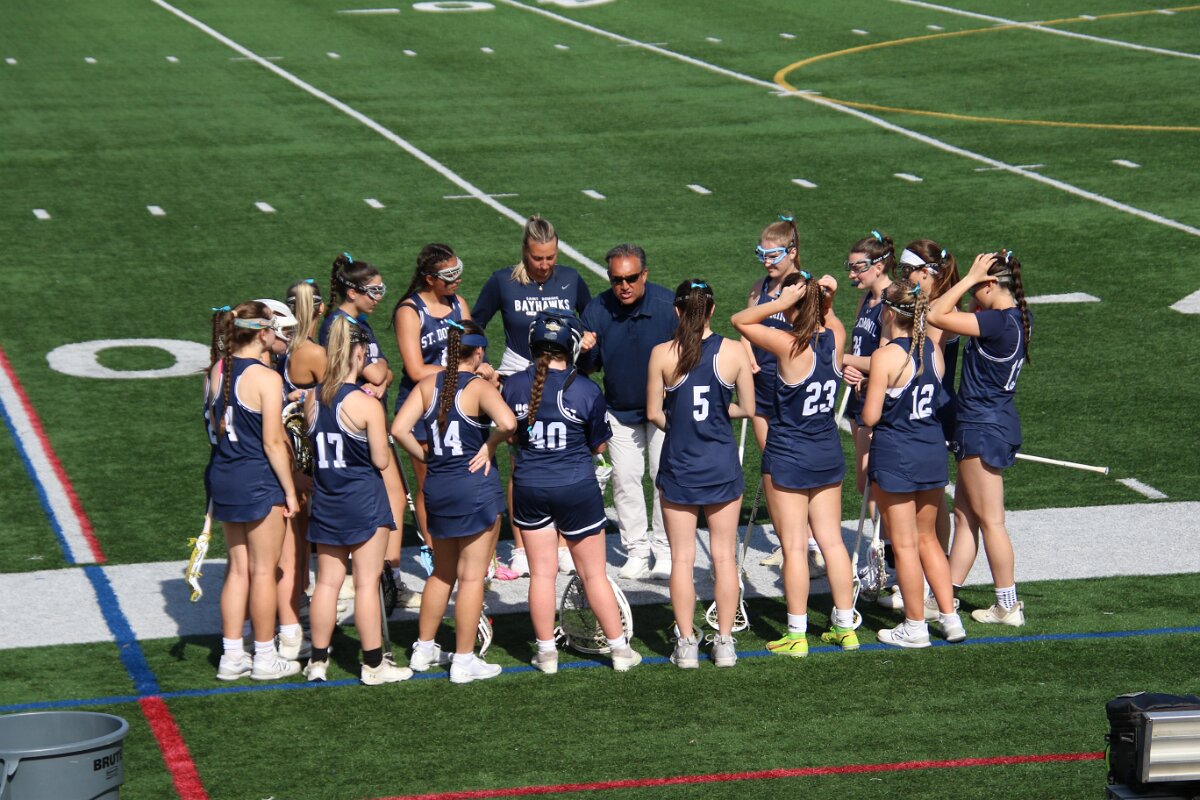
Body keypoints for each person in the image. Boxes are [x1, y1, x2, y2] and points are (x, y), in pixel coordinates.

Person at [502, 311, 642, 674]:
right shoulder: (586, 390)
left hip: (529, 486)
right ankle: (619, 650)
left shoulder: (512, 386)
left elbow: (511, 436)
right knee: (593, 575)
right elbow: (599, 446)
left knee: (542, 575)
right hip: (576, 488)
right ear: (573, 347)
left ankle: (547, 654)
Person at [731, 272, 859, 656]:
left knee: (793, 547)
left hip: (789, 454)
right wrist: (824, 301)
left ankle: (796, 634)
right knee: (832, 542)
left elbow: (740, 320)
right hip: (826, 451)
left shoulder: (788, 344)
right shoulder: (835, 337)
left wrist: (780, 301)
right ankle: (845, 627)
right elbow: (829, 318)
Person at [392, 320, 517, 683]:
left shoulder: (427, 385)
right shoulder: (478, 387)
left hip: (438, 485)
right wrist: (489, 446)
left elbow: (398, 429)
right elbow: (509, 424)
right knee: (472, 576)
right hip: (473, 487)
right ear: (478, 352)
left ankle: (424, 648)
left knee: (442, 572)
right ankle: (463, 659)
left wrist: (426, 457)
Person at [472, 217, 591, 577]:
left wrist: (588, 337)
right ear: (525, 252)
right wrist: (482, 363)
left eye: (551, 257)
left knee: (563, 457)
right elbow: (475, 324)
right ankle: (523, 547)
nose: (544, 265)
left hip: (563, 378)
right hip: (517, 378)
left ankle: (563, 542)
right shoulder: (502, 281)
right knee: (522, 461)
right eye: (538, 258)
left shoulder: (571, 278)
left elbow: (591, 318)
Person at [646, 280, 754, 668]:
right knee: (724, 558)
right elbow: (747, 407)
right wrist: (717, 418)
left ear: (677, 311)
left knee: (682, 559)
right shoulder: (735, 351)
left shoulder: (662, 353)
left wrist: (682, 426)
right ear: (712, 310)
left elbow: (654, 413)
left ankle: (687, 643)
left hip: (679, 466)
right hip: (721, 465)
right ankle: (724, 643)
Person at [303, 315, 412, 685]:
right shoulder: (366, 405)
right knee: (366, 584)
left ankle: (318, 661)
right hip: (363, 500)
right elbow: (381, 460)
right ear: (360, 354)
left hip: (327, 499)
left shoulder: (312, 398)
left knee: (327, 583)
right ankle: (374, 665)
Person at [928, 251, 1032, 626]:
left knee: (991, 521)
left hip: (980, 426)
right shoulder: (1017, 317)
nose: (972, 298)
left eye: (977, 289)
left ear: (990, 284)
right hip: (993, 422)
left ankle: (1008, 604)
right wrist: (976, 286)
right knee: (965, 517)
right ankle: (943, 596)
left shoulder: (995, 322)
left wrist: (969, 279)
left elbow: (935, 314)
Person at [861, 281, 966, 648]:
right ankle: (950, 619)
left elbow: (871, 416)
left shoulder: (885, 356)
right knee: (929, 540)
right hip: (930, 450)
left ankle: (915, 625)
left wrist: (866, 388)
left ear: (889, 313)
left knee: (905, 545)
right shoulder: (933, 349)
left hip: (897, 454)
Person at [205, 302, 300, 681]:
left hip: (223, 476)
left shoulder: (218, 369)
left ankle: (232, 656)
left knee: (238, 569)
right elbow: (273, 443)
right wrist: (290, 490)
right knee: (264, 571)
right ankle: (264, 656)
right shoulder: (266, 378)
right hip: (258, 479)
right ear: (262, 333)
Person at [322, 252, 421, 609]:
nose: (380, 297)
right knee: (388, 496)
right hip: (355, 425)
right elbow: (378, 372)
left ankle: (383, 574)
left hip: (361, 419)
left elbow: (385, 371)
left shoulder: (358, 321)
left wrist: (382, 373)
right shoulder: (341, 326)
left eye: (382, 290)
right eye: (374, 291)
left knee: (390, 495)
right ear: (352, 292)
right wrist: (381, 373)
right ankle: (387, 576)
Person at [579, 243, 678, 580]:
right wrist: (586, 350)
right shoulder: (597, 309)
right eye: (617, 279)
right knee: (624, 479)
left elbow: (689, 356)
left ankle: (664, 549)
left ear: (644, 275)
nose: (624, 286)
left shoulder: (668, 307)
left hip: (664, 409)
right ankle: (636, 550)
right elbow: (588, 368)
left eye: (631, 278)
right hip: (620, 410)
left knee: (663, 478)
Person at [877, 242, 962, 616]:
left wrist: (853, 362)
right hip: (922, 415)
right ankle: (935, 598)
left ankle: (924, 595)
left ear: (925, 273)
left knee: (925, 522)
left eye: (907, 271)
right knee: (925, 521)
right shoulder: (924, 310)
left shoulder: (938, 312)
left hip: (924, 416)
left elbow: (908, 362)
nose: (903, 278)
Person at [391, 244, 486, 577]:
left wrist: (480, 369)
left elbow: (474, 348)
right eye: (449, 274)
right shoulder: (409, 311)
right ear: (430, 278)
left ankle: (469, 543)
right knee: (430, 481)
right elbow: (416, 369)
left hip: (459, 403)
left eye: (459, 270)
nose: (458, 278)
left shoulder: (459, 304)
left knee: (467, 472)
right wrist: (465, 373)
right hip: (423, 405)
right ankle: (434, 550)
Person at [742, 215, 826, 575]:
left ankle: (812, 544)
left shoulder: (805, 288)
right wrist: (747, 355)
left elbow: (822, 335)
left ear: (792, 252)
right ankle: (788, 540)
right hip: (763, 389)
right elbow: (746, 325)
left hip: (794, 393)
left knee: (798, 472)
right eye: (761, 254)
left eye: (773, 255)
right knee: (773, 470)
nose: (766, 262)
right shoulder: (759, 287)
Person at [841, 231, 896, 540]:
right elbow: (858, 345)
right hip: (857, 394)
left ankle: (888, 547)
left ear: (879, 266)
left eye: (858, 268)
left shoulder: (892, 301)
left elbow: (886, 358)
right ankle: (882, 545)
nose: (852, 274)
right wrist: (849, 368)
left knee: (875, 481)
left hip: (877, 397)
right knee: (865, 484)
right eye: (850, 267)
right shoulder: (866, 299)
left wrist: (842, 359)